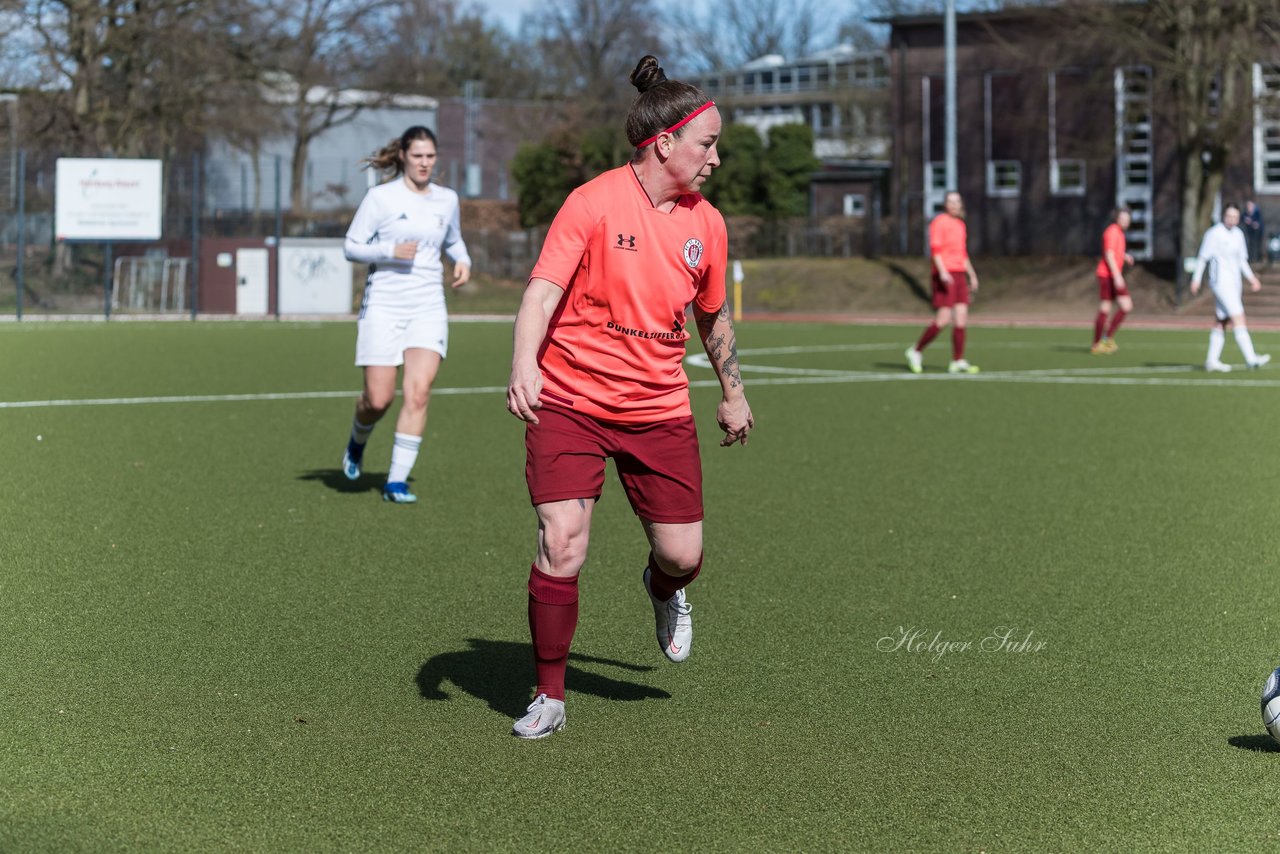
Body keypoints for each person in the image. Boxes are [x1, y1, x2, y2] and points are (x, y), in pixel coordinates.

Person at [505, 55, 753, 739]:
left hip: (659, 411)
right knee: (563, 541)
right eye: (708, 144)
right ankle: (549, 695)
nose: (717, 160)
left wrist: (733, 393)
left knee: (683, 557)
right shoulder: (591, 202)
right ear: (664, 143)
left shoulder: (710, 224)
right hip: (571, 401)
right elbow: (542, 291)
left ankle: (663, 589)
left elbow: (714, 314)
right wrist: (525, 363)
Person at [339, 126, 472, 503]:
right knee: (378, 399)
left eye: (430, 156)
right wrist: (389, 250)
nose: (425, 163)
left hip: (428, 306)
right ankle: (357, 439)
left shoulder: (447, 199)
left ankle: (396, 481)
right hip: (383, 305)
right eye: (418, 156)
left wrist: (462, 259)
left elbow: (453, 238)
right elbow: (351, 246)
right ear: (403, 156)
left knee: (418, 393)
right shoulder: (380, 198)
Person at [905, 191, 981, 374]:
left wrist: (972, 274)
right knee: (944, 318)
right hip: (944, 274)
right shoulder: (939, 222)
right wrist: (942, 272)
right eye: (950, 201)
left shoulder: (960, 224)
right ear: (945, 204)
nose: (954, 205)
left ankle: (957, 360)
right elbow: (936, 250)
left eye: (957, 201)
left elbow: (962, 254)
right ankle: (915, 351)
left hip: (959, 274)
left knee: (961, 317)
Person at [1190, 202, 1270, 372]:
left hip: (1235, 283)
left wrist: (1252, 278)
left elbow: (1242, 260)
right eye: (1229, 216)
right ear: (1223, 216)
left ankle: (1211, 361)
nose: (1232, 220)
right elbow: (1203, 257)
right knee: (1238, 317)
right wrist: (1196, 279)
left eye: (1235, 217)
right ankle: (1251, 358)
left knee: (1222, 320)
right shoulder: (1214, 233)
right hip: (1220, 282)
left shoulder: (1239, 234)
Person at [1091, 207, 1135, 354]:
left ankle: (1104, 339)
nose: (1125, 221)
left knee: (1118, 306)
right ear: (1117, 218)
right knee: (1116, 306)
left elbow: (1115, 252)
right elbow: (1109, 255)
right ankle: (1100, 341)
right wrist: (1117, 276)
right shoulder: (1112, 232)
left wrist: (1124, 256)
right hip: (1107, 275)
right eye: (1123, 218)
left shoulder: (1119, 233)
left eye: (1127, 219)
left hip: (1111, 275)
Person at [1243, 199, 1265, 266]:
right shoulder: (1245, 213)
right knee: (1250, 245)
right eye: (1248, 206)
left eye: (1250, 206)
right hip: (1250, 233)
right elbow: (1242, 219)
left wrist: (1257, 224)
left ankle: (1258, 259)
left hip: (1258, 232)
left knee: (1258, 245)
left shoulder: (1257, 212)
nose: (1249, 207)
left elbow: (1260, 222)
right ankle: (1251, 259)